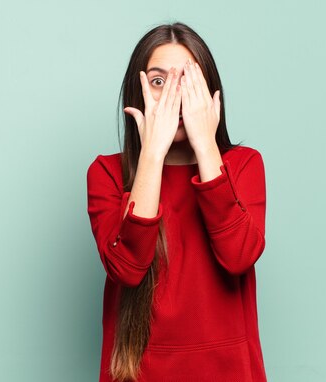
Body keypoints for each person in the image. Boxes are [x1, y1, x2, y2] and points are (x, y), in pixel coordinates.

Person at [87, 22, 267, 382]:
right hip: (138, 371)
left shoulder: (244, 165)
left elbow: (238, 256)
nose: (174, 95)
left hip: (229, 371)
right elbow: (127, 268)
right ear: (135, 95)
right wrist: (152, 154)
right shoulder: (106, 173)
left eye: (188, 80)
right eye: (158, 81)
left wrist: (205, 144)